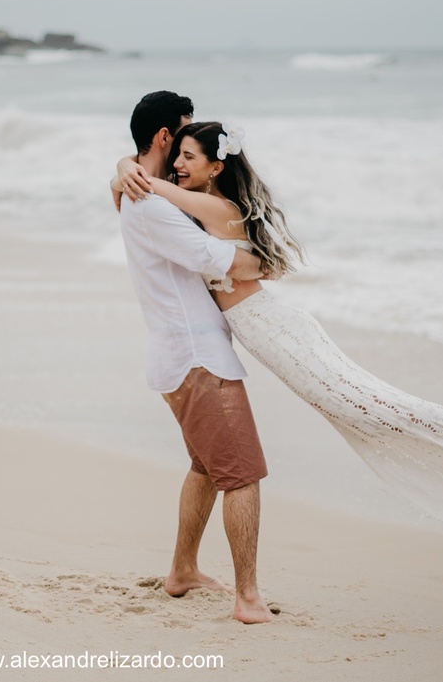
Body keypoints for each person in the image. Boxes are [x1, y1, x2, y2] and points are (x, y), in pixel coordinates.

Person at [114, 121, 443, 556]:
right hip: (272, 331)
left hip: (277, 332)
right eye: (177, 155)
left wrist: (126, 169)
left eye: (190, 157)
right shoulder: (205, 204)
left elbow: (146, 186)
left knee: (376, 411)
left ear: (217, 167)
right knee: (369, 416)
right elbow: (143, 189)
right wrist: (122, 169)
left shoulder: (215, 206)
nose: (178, 164)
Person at [116, 92, 276, 624]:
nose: (187, 149)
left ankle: (182, 571)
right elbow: (216, 258)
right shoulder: (151, 203)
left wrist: (123, 169)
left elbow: (122, 181)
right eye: (183, 137)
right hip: (196, 359)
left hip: (180, 355)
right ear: (165, 137)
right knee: (241, 474)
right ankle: (248, 598)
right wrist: (267, 262)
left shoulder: (135, 188)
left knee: (208, 468)